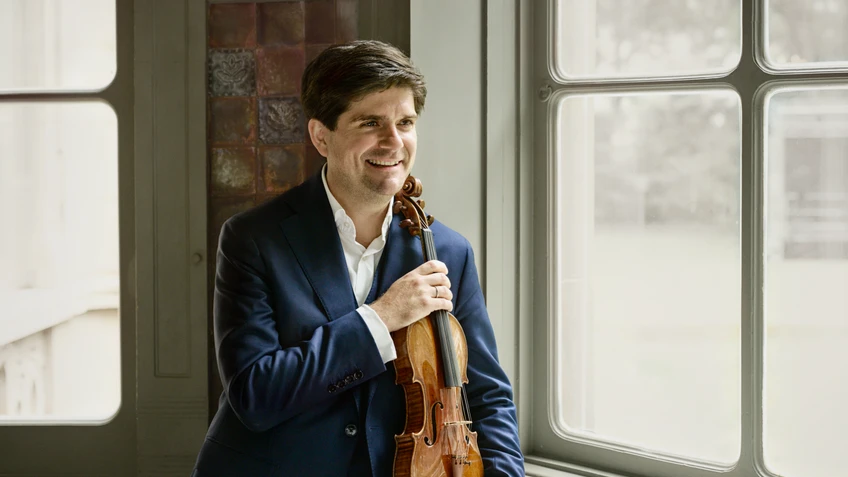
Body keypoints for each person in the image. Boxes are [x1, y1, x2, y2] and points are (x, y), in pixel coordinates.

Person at [192, 40, 524, 477]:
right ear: (320, 136)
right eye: (371, 122)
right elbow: (256, 395)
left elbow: (485, 395)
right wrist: (381, 317)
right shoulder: (253, 239)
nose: (394, 142)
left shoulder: (448, 252)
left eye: (405, 122)